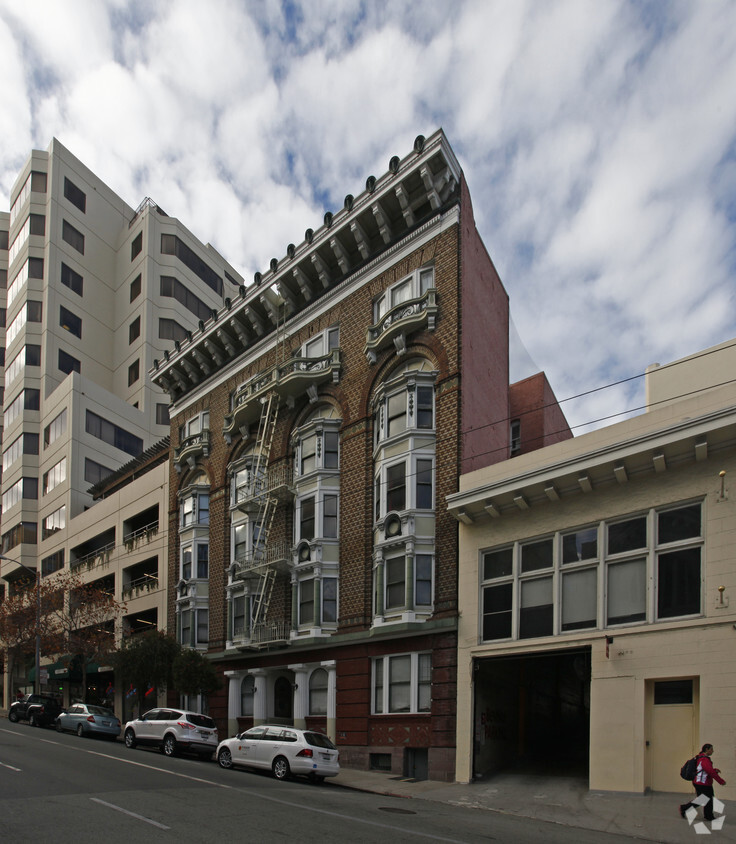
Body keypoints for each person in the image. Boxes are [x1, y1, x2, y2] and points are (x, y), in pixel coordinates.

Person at [680, 743, 726, 821]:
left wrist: (714, 770)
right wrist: (721, 781)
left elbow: (704, 770)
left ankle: (708, 815)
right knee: (704, 799)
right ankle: (685, 808)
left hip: (699, 782)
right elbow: (710, 771)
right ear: (706, 749)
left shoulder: (700, 757)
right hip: (703, 783)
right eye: (711, 749)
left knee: (705, 799)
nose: (713, 751)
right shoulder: (704, 759)